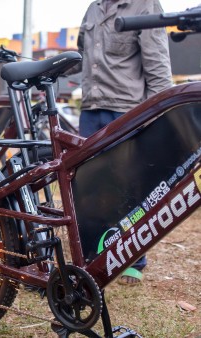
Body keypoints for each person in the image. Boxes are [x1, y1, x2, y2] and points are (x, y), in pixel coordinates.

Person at [69, 0, 173, 285]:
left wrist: (162, 113)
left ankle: (133, 258)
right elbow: (81, 54)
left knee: (129, 184)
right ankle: (95, 251)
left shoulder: (145, 5)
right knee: (89, 183)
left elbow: (157, 63)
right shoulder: (93, 9)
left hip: (128, 109)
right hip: (91, 109)